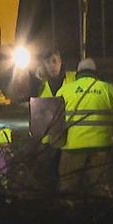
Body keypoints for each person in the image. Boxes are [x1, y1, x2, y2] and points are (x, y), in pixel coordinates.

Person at [55, 57, 113, 196]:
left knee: (69, 190)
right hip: (102, 148)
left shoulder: (64, 90)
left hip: (72, 148)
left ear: (78, 72)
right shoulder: (108, 89)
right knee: (99, 189)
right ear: (95, 72)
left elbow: (55, 121)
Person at [31, 49, 75, 194]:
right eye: (48, 62)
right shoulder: (39, 83)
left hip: (68, 136)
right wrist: (36, 80)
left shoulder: (72, 78)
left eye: (55, 61)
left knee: (67, 177)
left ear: (61, 62)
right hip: (47, 140)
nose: (52, 65)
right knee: (49, 177)